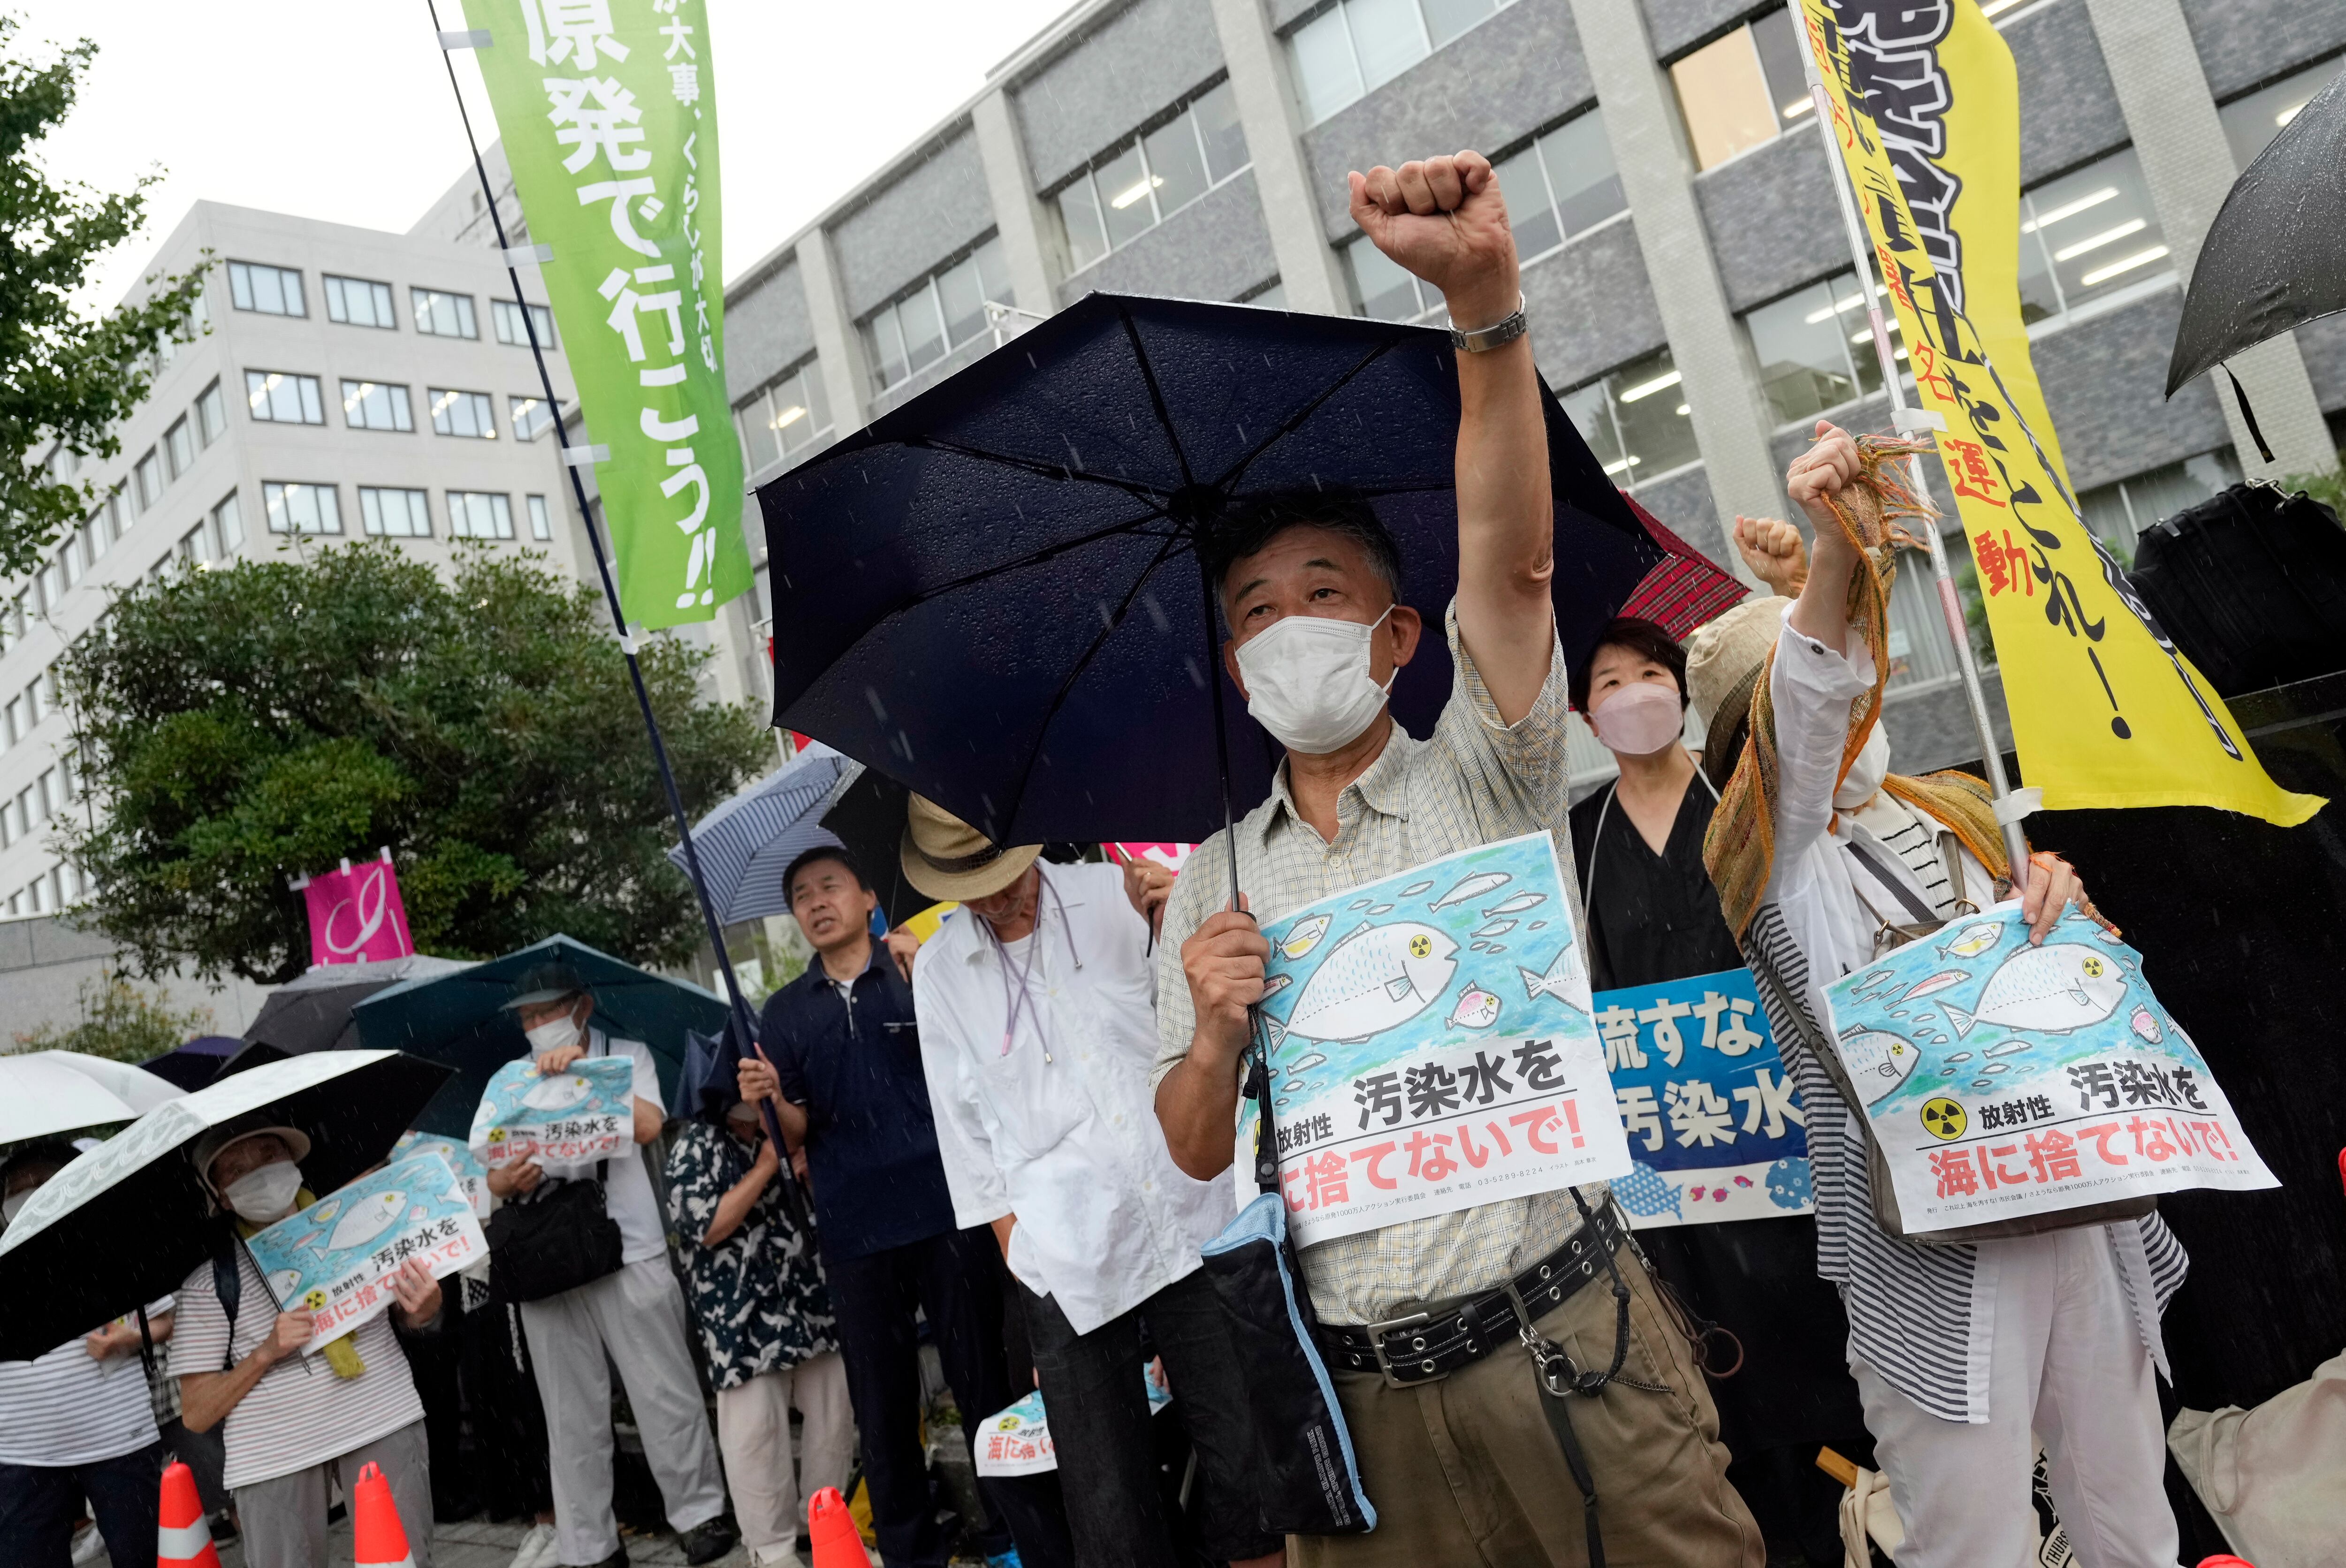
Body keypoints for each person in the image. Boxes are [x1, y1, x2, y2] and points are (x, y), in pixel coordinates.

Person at [1152, 150, 1762, 1566]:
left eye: (1323, 595)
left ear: (1395, 635)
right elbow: (1189, 1150)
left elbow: (1510, 561)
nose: (1288, 626)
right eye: (1254, 611)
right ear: (1232, 664)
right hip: (1359, 1405)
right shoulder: (1208, 884)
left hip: (1571, 1346)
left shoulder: (1486, 769)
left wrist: (1483, 311)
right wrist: (1207, 1031)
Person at [1696, 420, 2187, 1568]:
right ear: (1751, 752)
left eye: (1864, 663)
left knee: (2127, 1512)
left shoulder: (1961, 811)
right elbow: (1807, 720)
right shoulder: (1767, 862)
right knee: (1970, 1538)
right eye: (1813, 689)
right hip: (1930, 1237)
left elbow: (2071, 983)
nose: (1853, 690)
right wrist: (1830, 558)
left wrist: (2065, 924)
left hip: (2074, 1190)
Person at [1565, 581, 1873, 1564]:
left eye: (1648, 672)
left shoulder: (1745, 799)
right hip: (1666, 1167)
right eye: (1607, 681)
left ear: (1683, 689)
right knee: (1715, 1369)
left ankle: (1869, 1522)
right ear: (1584, 715)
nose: (1631, 693)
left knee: (1829, 1337)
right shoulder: (1574, 841)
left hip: (1788, 1132)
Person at [902, 798, 1284, 1568]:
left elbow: (1201, 1036)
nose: (996, 897)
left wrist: (1169, 926)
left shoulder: (1113, 894)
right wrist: (1025, 1259)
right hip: (1066, 1259)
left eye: (1003, 873)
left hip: (1189, 1217)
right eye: (971, 884)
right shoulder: (942, 973)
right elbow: (966, 1143)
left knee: (1251, 1467)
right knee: (1109, 1512)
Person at [754, 843, 1066, 1568]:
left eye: (831, 885)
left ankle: (1011, 1532)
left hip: (947, 1206)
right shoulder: (785, 1010)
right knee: (882, 1398)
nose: (817, 902)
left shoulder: (916, 969)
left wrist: (931, 973)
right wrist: (769, 1096)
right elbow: (796, 1130)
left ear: (868, 896)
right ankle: (908, 1548)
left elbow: (975, 1061)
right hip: (854, 1225)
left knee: (981, 1377)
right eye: (802, 896)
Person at [486, 963, 733, 1568]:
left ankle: (700, 1515)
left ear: (582, 1007)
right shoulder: (508, 1080)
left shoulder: (625, 1056)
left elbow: (649, 1125)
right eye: (527, 1017)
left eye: (547, 1012)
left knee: (664, 1389)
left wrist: (582, 1073)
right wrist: (509, 1177)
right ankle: (590, 1545)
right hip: (546, 1258)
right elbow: (488, 1171)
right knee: (570, 1413)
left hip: (628, 1245)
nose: (536, 1026)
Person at [169, 1117, 442, 1568]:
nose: (258, 1172)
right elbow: (197, 1413)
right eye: (236, 1170)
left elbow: (414, 1317)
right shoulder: (211, 1284)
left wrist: (425, 1307)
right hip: (272, 1454)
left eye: (269, 1155)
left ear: (295, 1161)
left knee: (404, 1561)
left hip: (381, 1416)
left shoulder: (362, 1228)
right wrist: (265, 1353)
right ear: (219, 1196)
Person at [665, 1065, 853, 1568]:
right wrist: (768, 1166)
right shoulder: (696, 1144)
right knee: (755, 1438)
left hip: (807, 1302)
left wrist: (808, 1173)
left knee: (835, 1417)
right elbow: (706, 1226)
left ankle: (824, 1527)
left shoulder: (784, 1124)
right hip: (738, 1316)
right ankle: (771, 1550)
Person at [0, 1142, 173, 1568]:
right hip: (21, 1450)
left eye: (44, 1181)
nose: (32, 1191)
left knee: (144, 1555)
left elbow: (165, 1322)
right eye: (18, 1187)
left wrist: (125, 1338)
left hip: (119, 1435)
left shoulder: (114, 1250)